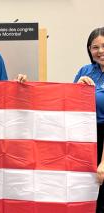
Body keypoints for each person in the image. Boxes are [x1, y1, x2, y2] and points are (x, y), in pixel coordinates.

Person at [74, 27, 104, 213]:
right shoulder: (85, 70)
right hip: (86, 135)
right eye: (95, 47)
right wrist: (77, 88)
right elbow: (69, 107)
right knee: (87, 194)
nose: (100, 51)